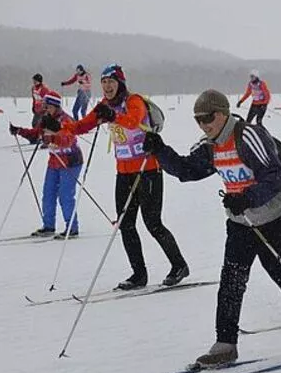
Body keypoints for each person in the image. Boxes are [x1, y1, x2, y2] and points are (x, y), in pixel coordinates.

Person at [142, 89, 281, 367]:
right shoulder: (210, 144)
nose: (203, 124)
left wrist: (247, 197)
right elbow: (188, 170)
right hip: (240, 222)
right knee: (231, 281)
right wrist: (159, 149)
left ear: (221, 114)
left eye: (207, 118)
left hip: (273, 219)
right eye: (198, 120)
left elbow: (275, 178)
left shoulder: (248, 136)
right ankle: (225, 344)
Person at [62, 63, 189, 289]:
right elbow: (82, 126)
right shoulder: (104, 105)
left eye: (111, 82)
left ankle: (179, 265)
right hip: (123, 173)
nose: (107, 86)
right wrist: (59, 127)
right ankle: (139, 274)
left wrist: (112, 115)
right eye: (104, 82)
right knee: (125, 224)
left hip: (147, 169)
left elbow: (133, 121)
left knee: (153, 224)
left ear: (120, 83)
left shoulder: (134, 101)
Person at [9, 90, 83, 239]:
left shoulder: (66, 120)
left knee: (65, 195)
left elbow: (67, 140)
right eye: (44, 106)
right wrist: (19, 131)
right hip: (55, 162)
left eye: (47, 106)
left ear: (55, 106)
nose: (45, 109)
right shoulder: (45, 119)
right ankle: (48, 226)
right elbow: (36, 133)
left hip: (70, 161)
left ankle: (72, 228)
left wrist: (54, 137)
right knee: (48, 194)